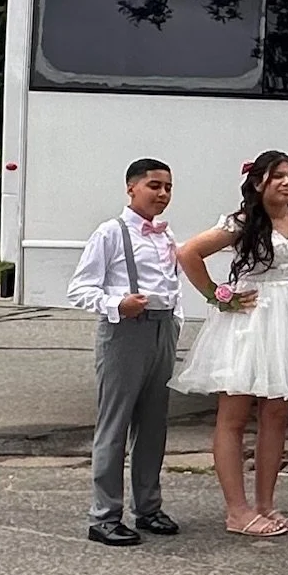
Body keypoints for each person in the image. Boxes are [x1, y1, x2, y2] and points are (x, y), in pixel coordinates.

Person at [174, 150, 288, 537]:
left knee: (277, 414)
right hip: (249, 321)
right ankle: (237, 509)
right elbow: (188, 252)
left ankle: (266, 503)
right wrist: (218, 296)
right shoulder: (243, 222)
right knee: (233, 414)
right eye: (279, 176)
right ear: (257, 183)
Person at [68, 158, 184, 546]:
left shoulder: (166, 236)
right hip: (125, 331)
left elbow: (171, 284)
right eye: (154, 186)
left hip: (162, 329)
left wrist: (175, 321)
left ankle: (148, 507)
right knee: (115, 424)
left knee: (154, 424)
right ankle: (104, 515)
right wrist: (118, 304)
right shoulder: (110, 233)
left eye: (167, 187)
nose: (162, 194)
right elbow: (80, 289)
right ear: (131, 188)